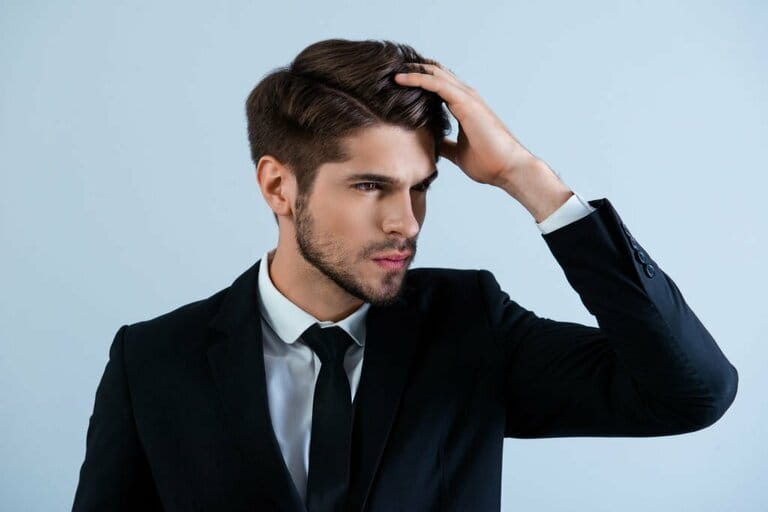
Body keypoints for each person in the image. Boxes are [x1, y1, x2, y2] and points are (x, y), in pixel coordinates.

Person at [72, 38, 738, 512]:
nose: (406, 222)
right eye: (370, 185)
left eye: (420, 187)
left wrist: (524, 177)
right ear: (278, 186)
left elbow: (691, 393)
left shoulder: (470, 325)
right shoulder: (154, 359)